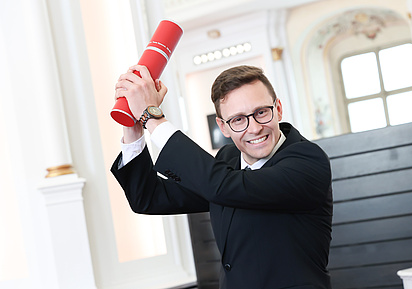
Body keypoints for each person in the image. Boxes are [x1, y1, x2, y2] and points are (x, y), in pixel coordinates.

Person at [111, 65, 333, 289]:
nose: (254, 128)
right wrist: (133, 128)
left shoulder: (308, 160)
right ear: (223, 127)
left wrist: (151, 116)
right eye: (238, 120)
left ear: (278, 109)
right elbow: (149, 198)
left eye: (261, 112)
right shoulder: (228, 159)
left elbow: (223, 186)